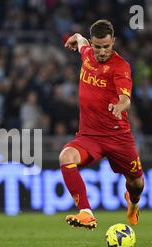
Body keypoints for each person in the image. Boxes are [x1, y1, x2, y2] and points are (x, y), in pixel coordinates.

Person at [60, 20, 144, 229]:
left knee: (137, 184)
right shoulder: (87, 54)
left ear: (113, 42)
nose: (102, 51)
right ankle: (86, 213)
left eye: (106, 46)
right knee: (66, 157)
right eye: (98, 47)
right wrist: (77, 36)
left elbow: (126, 98)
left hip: (118, 137)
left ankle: (133, 203)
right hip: (89, 137)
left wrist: (120, 105)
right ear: (93, 44)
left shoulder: (120, 67)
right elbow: (81, 42)